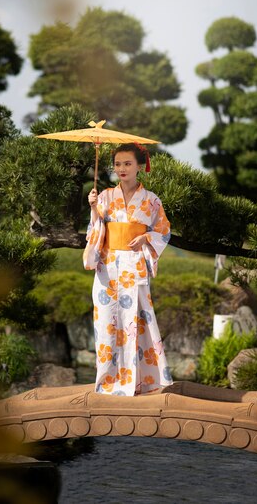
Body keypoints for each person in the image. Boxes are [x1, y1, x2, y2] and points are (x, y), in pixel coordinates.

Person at [84, 143, 173, 395]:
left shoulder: (151, 200)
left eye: (127, 163)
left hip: (134, 265)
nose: (121, 169)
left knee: (137, 323)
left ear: (139, 166)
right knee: (106, 323)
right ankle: (108, 382)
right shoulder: (103, 197)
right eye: (118, 164)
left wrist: (146, 238)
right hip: (107, 267)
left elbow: (163, 231)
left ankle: (142, 382)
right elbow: (94, 230)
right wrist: (92, 208)